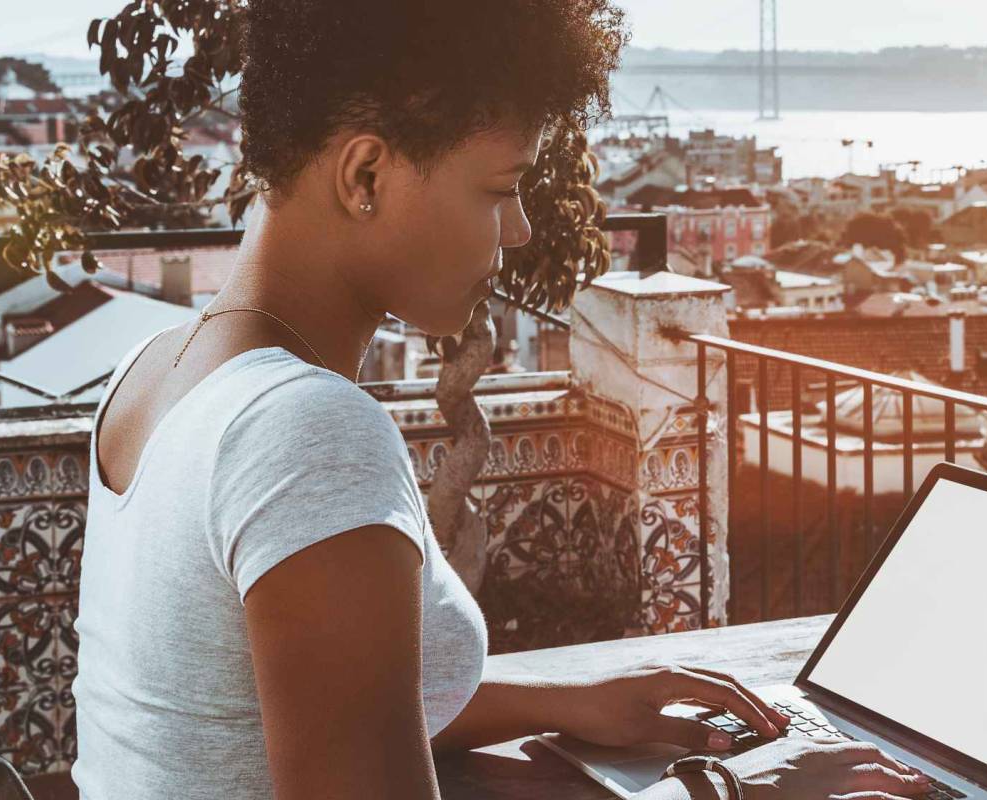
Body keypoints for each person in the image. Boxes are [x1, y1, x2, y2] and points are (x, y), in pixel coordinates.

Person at [72, 1, 931, 798]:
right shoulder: (303, 429)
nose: (519, 229)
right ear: (364, 173)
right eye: (499, 188)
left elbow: (268, 701)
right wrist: (752, 789)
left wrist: (571, 700)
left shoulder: (155, 368)